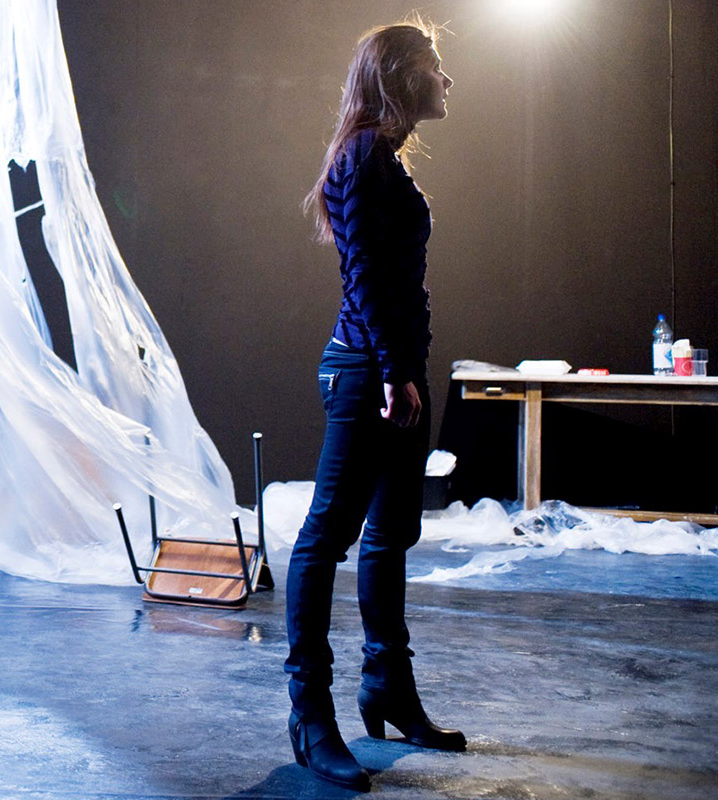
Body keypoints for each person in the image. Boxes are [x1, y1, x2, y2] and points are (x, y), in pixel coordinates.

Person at [285, 20, 464, 791]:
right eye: (434, 65)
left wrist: (408, 370)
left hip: (393, 370)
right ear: (398, 76)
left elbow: (396, 284)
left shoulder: (382, 161)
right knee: (326, 537)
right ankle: (309, 717)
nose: (447, 80)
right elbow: (362, 277)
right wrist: (394, 372)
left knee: (391, 536)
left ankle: (388, 686)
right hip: (365, 372)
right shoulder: (360, 157)